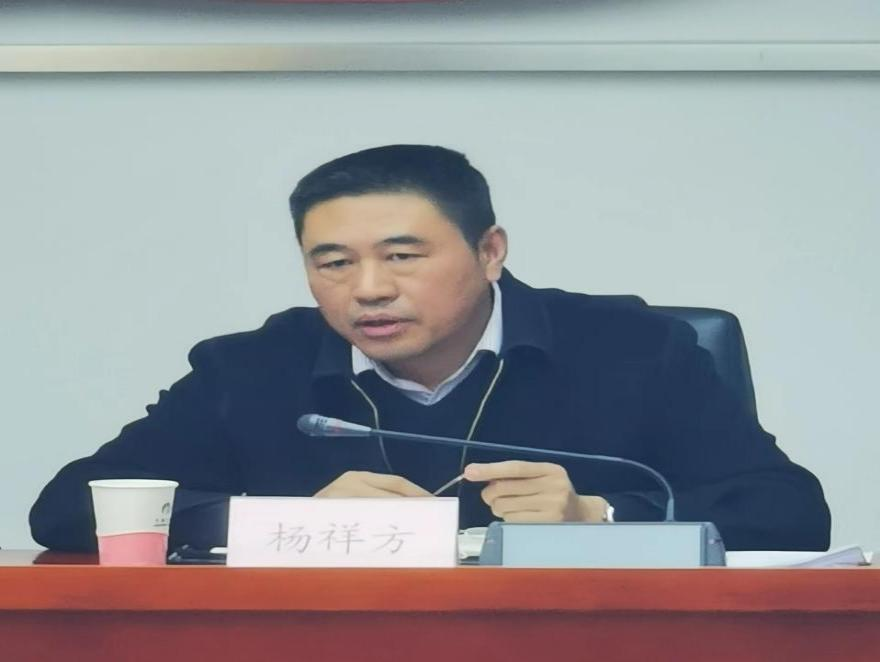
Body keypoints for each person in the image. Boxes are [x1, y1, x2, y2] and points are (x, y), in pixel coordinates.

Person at [29, 144, 830, 553]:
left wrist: (599, 517)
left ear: (490, 252)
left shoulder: (633, 349)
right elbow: (68, 509)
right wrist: (283, 524)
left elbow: (790, 514)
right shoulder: (250, 368)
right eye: (333, 263)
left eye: (403, 256)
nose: (369, 289)